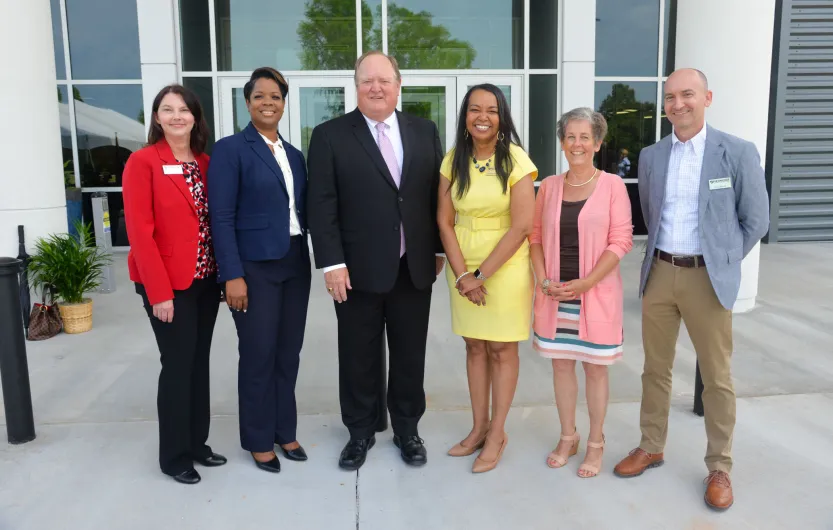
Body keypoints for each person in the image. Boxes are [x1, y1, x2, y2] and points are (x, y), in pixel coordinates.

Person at [613, 68, 770, 510]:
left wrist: (721, 259)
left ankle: (720, 465)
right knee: (654, 370)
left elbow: (756, 220)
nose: (678, 103)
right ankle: (651, 445)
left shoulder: (736, 152)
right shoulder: (651, 156)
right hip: (660, 272)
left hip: (707, 277)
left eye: (687, 94)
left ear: (707, 98)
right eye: (670, 97)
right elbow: (650, 209)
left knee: (717, 376)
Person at [306, 51, 445, 471]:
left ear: (399, 85)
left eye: (384, 80)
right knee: (357, 356)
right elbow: (322, 203)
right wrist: (331, 263)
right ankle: (360, 432)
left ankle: (408, 429)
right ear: (356, 86)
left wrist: (438, 249)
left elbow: (433, 196)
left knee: (409, 355)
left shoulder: (424, 131)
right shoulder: (330, 135)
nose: (376, 87)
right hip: (355, 271)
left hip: (412, 267)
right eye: (367, 80)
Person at [208, 67, 311, 473]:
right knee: (257, 354)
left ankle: (284, 429)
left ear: (284, 104)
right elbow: (221, 216)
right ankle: (257, 437)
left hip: (294, 262)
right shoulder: (231, 149)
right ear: (247, 102)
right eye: (260, 96)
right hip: (253, 268)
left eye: (276, 96)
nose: (268, 103)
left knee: (288, 353)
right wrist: (231, 274)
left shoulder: (295, 155)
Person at [123, 84, 226, 485]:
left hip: (204, 280)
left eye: (184, 110)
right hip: (168, 285)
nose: (177, 116)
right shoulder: (143, 162)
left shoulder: (204, 162)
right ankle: (174, 455)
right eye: (168, 110)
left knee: (198, 365)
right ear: (156, 117)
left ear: (196, 117)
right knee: (178, 366)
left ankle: (197, 443)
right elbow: (140, 234)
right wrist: (159, 293)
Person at [438, 84, 537, 473]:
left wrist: (480, 275)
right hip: (462, 261)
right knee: (474, 347)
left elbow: (522, 225)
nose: (483, 116)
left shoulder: (516, 160)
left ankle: (498, 433)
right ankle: (478, 427)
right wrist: (463, 273)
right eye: (475, 109)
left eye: (492, 110)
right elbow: (444, 221)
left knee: (502, 350)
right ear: (465, 116)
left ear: (502, 117)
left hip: (506, 264)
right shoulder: (452, 160)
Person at [529, 107, 633, 478]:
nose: (577, 144)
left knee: (595, 370)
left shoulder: (613, 186)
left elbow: (621, 241)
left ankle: (595, 442)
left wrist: (588, 283)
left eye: (584, 137)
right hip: (556, 297)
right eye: (570, 137)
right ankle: (568, 435)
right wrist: (543, 281)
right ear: (562, 143)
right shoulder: (550, 187)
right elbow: (536, 238)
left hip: (595, 296)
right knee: (561, 366)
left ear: (598, 142)